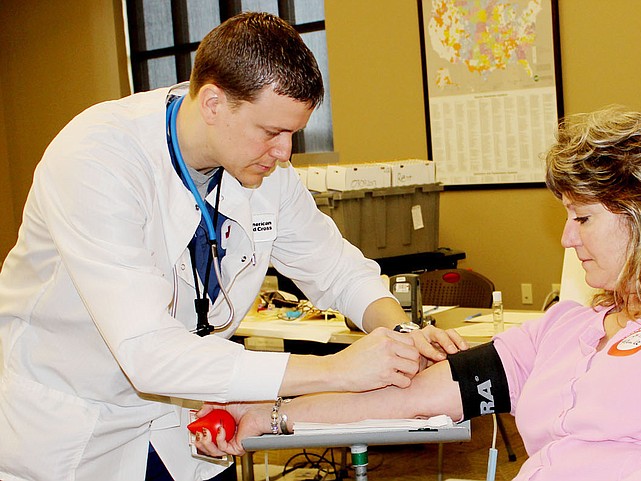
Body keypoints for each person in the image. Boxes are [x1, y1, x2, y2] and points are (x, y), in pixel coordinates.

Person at [198, 107, 641, 481]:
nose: (566, 237)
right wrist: (262, 417)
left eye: (582, 218)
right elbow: (412, 398)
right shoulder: (568, 328)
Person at [0, 12, 467, 481]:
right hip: (76, 428)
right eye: (270, 133)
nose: (285, 153)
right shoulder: (97, 159)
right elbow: (147, 352)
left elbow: (338, 270)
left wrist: (402, 336)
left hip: (185, 424)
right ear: (212, 103)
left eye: (293, 134)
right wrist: (340, 371)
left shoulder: (264, 171)